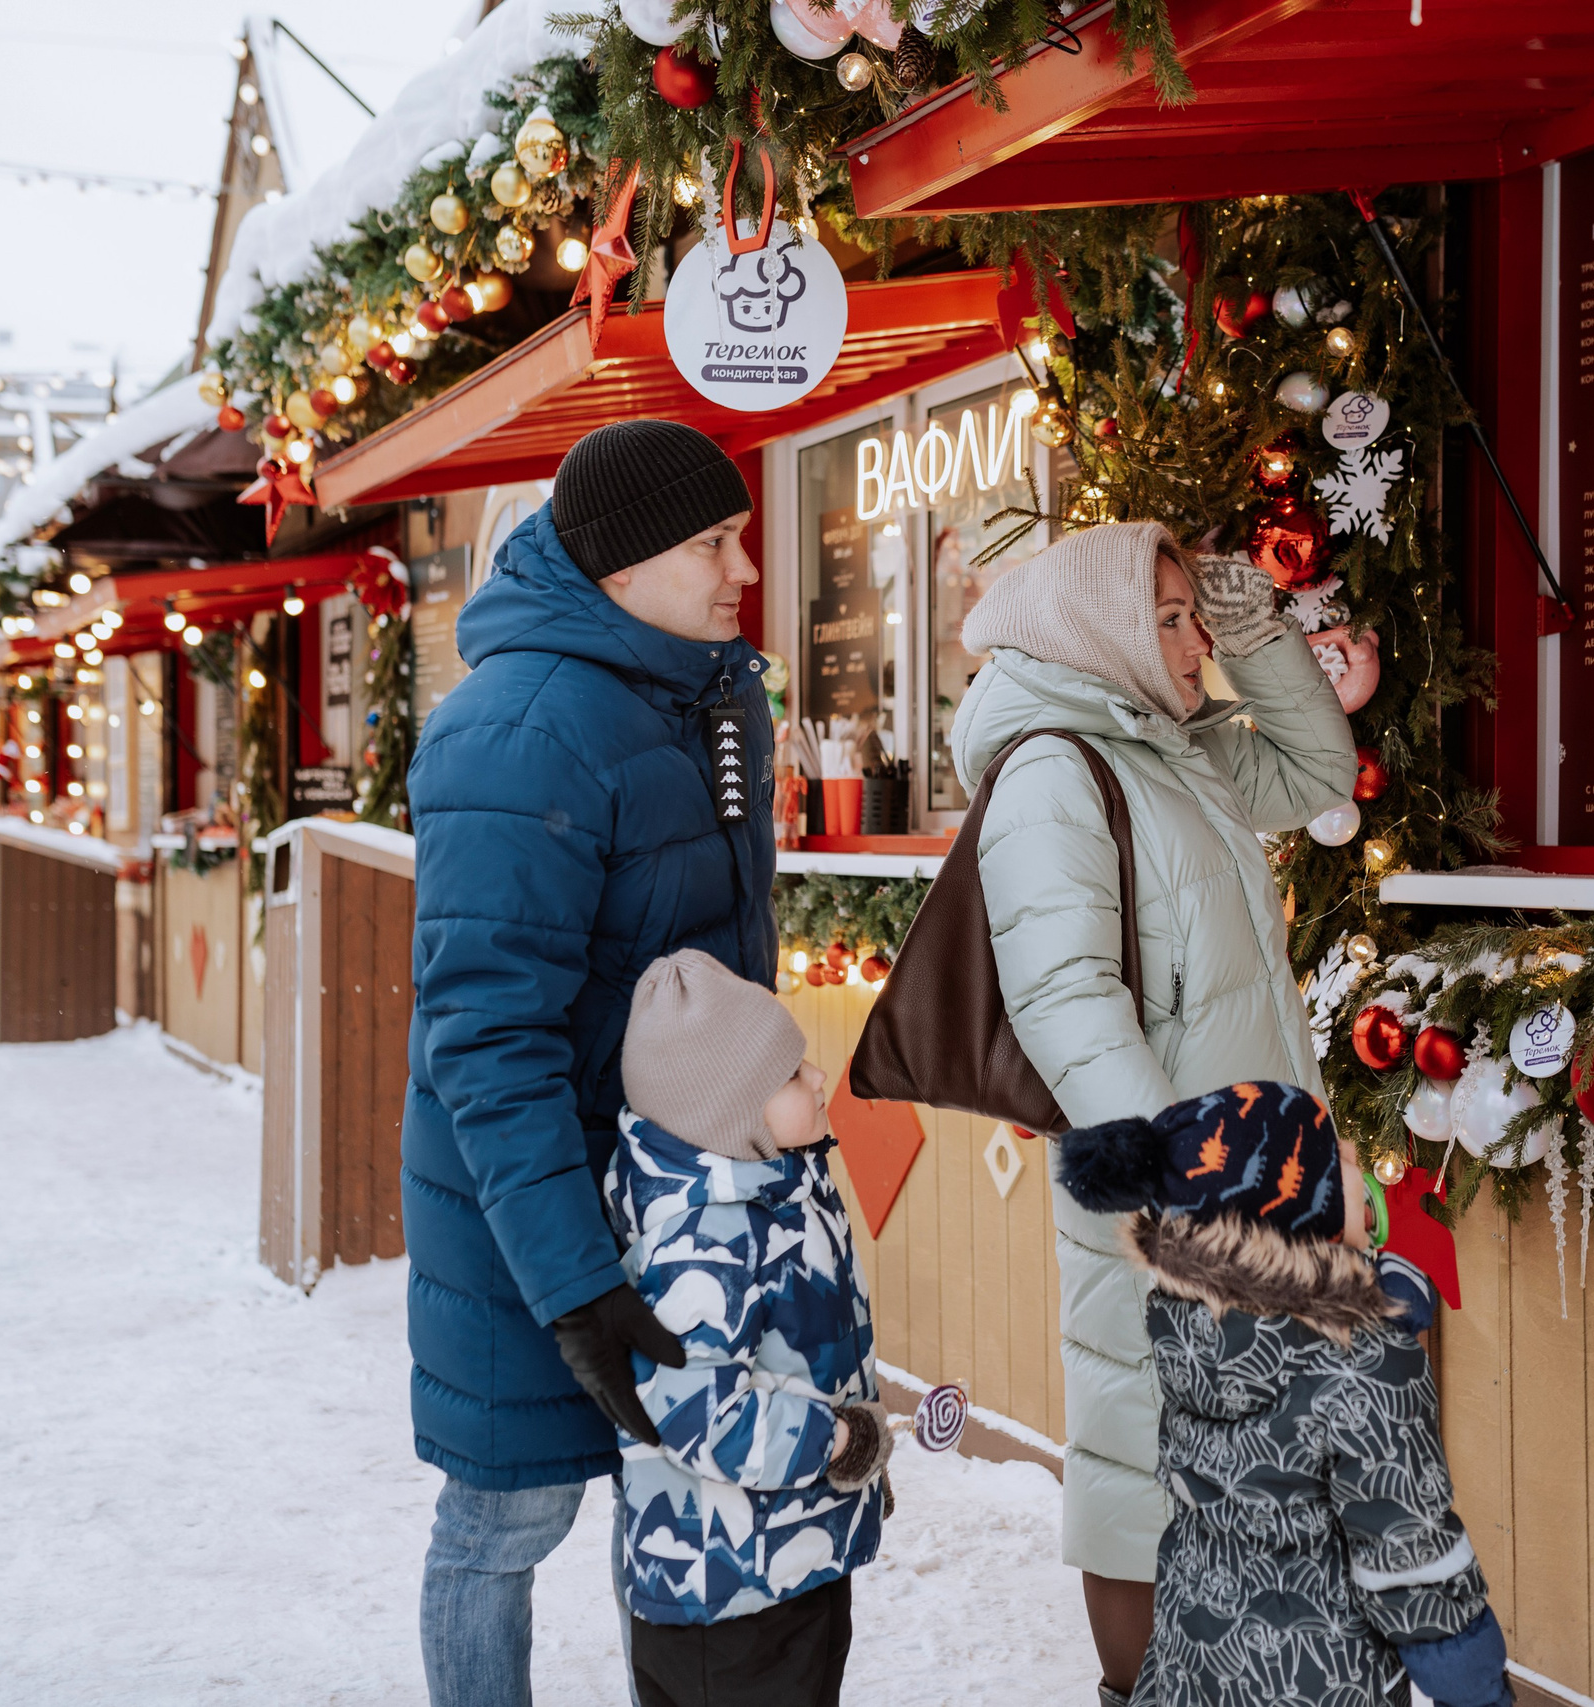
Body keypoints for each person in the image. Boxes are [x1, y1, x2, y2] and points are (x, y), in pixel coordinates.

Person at [949, 521, 1357, 1703]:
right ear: (1104, 629)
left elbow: (1317, 770)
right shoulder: (1050, 769)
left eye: (1191, 617)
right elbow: (1063, 999)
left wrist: (1253, 629)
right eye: (1167, 620)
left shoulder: (1173, 748)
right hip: (1169, 1188)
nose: (1189, 645)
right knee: (1142, 1456)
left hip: (1253, 1172)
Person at [404, 419, 777, 1707]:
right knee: (507, 1517)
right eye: (713, 543)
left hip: (679, 1198)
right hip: (534, 1209)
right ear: (621, 565)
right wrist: (574, 1284)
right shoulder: (516, 732)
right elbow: (488, 1041)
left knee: (673, 1506)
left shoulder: (706, 692)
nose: (743, 570)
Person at [1056, 1082, 1511, 1707]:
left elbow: (1290, 1388)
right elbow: (1410, 1555)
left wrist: (1371, 1310)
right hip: (1321, 1680)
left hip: (1195, 1661)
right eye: (1338, 1159)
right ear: (1297, 1207)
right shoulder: (1370, 1365)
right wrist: (1477, 1689)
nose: (1356, 1165)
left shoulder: (1190, 1330)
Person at [602, 949, 888, 1707]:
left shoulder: (776, 1191)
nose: (818, 1077)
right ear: (730, 1110)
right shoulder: (703, 1239)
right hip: (726, 1607)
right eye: (792, 1073)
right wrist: (835, 1442)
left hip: (788, 1568)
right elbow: (700, 1413)